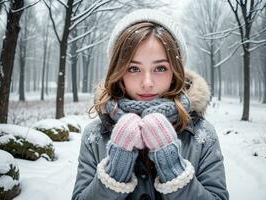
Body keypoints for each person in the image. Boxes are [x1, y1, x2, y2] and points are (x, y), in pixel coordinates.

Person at [72, 9, 229, 200]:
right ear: (119, 72)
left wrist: (173, 169)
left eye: (160, 68)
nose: (147, 82)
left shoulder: (201, 135)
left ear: (175, 72)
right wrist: (114, 171)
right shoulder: (95, 135)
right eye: (133, 68)